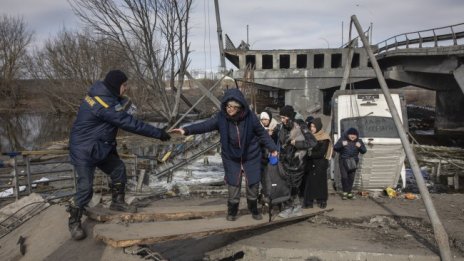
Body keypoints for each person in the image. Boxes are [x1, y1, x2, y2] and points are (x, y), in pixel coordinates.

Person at [68, 70, 171, 240]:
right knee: (85, 188)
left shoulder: (103, 95)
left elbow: (118, 110)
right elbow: (129, 123)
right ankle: (74, 221)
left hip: (99, 146)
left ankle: (117, 202)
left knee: (118, 169)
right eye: (124, 85)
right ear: (116, 86)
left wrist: (123, 102)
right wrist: (158, 133)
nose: (126, 88)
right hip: (84, 150)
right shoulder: (103, 104)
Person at [170, 88, 278, 221]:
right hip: (231, 156)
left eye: (233, 107)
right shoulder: (221, 118)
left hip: (250, 155)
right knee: (233, 184)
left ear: (239, 107)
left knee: (253, 184)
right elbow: (205, 125)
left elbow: (262, 134)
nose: (229, 109)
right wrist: (185, 130)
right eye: (228, 106)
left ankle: (253, 209)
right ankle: (232, 211)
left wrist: (272, 148)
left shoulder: (250, 118)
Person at [276, 105, 316, 218]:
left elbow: (313, 142)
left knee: (293, 186)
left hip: (297, 163)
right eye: (281, 117)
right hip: (285, 162)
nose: (282, 120)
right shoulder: (283, 127)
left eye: (284, 117)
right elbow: (282, 142)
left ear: (290, 117)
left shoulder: (301, 125)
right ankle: (291, 208)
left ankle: (294, 208)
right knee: (286, 186)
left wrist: (297, 143)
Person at [302, 118, 333, 209]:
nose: (312, 128)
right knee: (309, 182)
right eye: (311, 126)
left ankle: (322, 200)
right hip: (310, 163)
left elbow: (321, 152)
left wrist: (309, 154)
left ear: (318, 127)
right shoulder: (308, 136)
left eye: (314, 126)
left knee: (320, 183)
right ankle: (309, 202)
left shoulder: (324, 137)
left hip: (320, 163)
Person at [333, 127, 367, 200]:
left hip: (353, 161)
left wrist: (360, 146)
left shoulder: (359, 141)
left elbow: (364, 151)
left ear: (357, 135)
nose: (352, 136)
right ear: (347, 134)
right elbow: (335, 148)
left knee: (351, 177)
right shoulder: (343, 139)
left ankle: (349, 192)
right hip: (343, 161)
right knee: (344, 177)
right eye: (351, 134)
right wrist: (341, 144)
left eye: (354, 135)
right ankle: (345, 192)